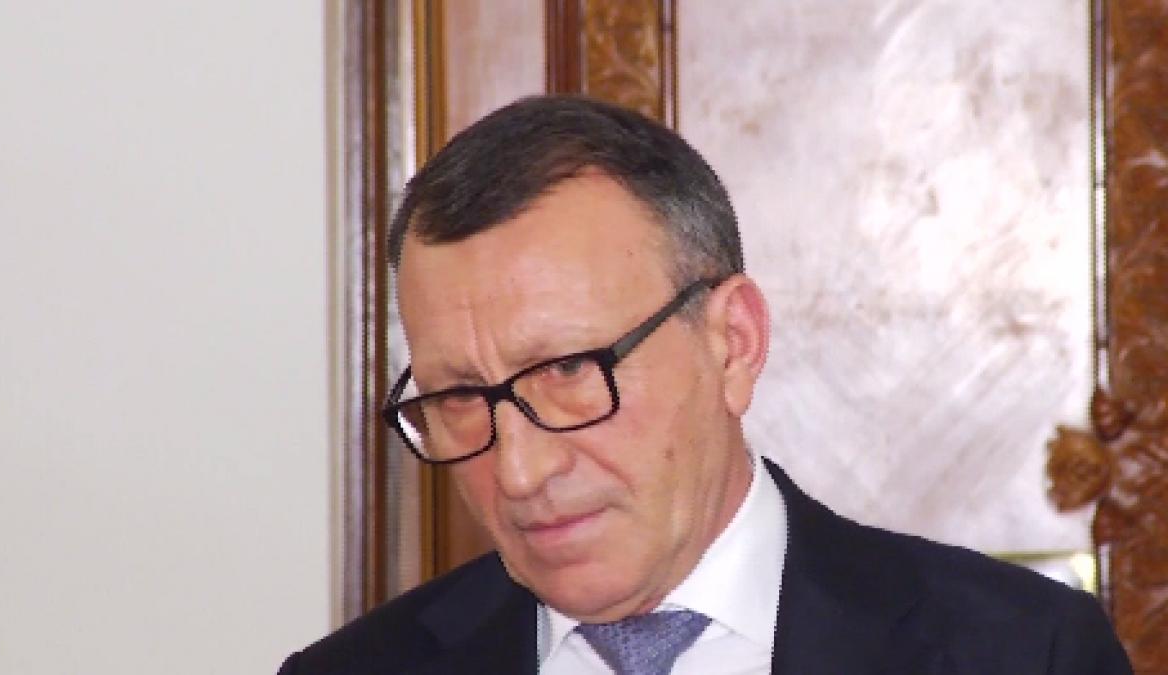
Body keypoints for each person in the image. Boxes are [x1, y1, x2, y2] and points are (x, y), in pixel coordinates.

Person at [279, 95, 1131, 674]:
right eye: (461, 397)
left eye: (568, 370)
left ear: (733, 343)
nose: (520, 472)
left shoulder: (1021, 652)